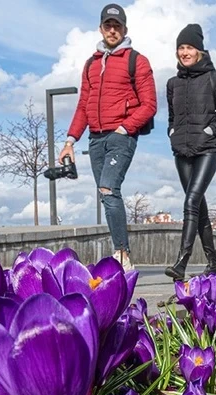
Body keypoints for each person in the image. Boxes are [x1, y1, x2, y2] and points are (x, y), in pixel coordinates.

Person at [59, 3, 157, 272]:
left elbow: (149, 104)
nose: (112, 30)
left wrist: (125, 128)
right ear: (101, 28)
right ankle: (120, 250)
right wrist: (70, 141)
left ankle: (122, 254)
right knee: (105, 195)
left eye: (117, 26)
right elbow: (83, 105)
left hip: (121, 136)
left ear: (124, 28)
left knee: (108, 189)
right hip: (94, 138)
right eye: (108, 26)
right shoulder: (91, 64)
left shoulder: (137, 60)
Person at [164, 23, 216, 281]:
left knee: (190, 201)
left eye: (189, 47)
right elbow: (172, 117)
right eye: (181, 48)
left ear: (200, 51)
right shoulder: (172, 83)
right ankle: (212, 263)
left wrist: (209, 131)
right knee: (200, 209)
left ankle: (181, 263)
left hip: (208, 150)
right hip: (182, 152)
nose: (184, 52)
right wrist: (172, 131)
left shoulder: (215, 79)